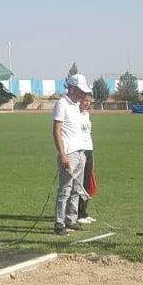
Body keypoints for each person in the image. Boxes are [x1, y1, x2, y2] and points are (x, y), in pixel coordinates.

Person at [52, 73, 93, 235]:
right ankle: (59, 223)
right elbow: (56, 130)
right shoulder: (62, 103)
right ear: (72, 88)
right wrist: (62, 154)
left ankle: (71, 218)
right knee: (65, 189)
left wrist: (84, 153)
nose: (83, 95)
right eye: (81, 91)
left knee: (77, 188)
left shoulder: (76, 105)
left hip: (80, 152)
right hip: (69, 153)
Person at [77, 92, 97, 225]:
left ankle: (84, 211)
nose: (87, 103)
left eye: (90, 101)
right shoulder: (75, 114)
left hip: (89, 149)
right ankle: (78, 213)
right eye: (85, 100)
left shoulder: (86, 114)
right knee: (80, 183)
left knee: (87, 182)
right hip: (80, 150)